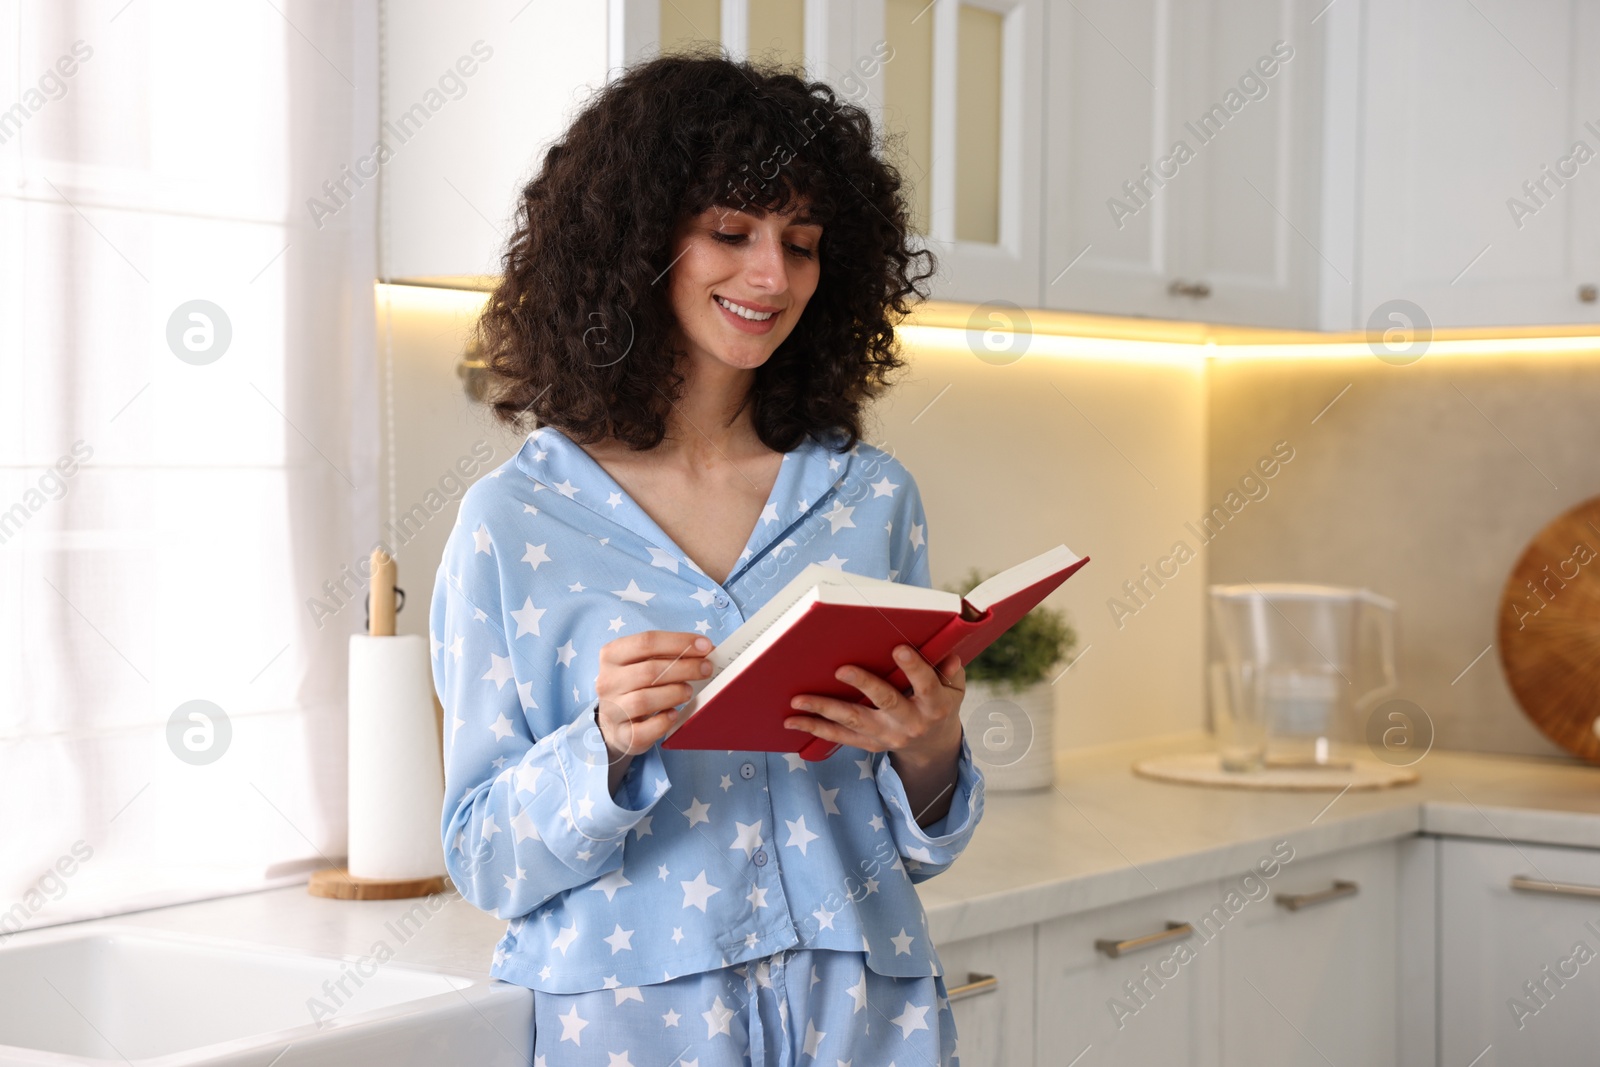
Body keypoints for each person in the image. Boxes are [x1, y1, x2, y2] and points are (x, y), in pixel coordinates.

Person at [429, 49, 985, 1066]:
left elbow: (912, 838)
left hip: (867, 1002)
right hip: (636, 1017)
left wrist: (927, 748)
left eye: (803, 244)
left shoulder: (868, 498)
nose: (771, 276)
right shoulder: (514, 521)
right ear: (636, 245)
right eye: (730, 233)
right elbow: (484, 855)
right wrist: (601, 743)